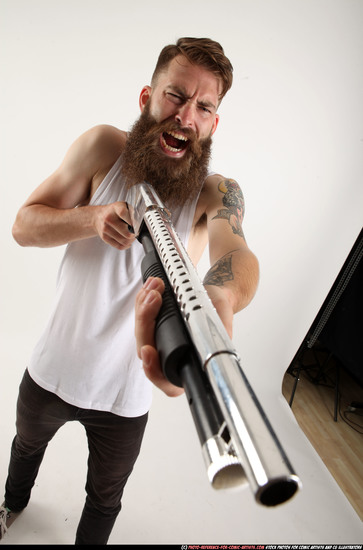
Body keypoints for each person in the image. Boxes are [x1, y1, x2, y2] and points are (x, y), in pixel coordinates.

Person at [0, 37, 259, 544]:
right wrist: (92, 217)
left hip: (127, 396)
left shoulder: (217, 192)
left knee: (105, 497)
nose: (185, 116)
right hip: (52, 368)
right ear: (147, 97)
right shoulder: (103, 147)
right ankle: (11, 506)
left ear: (213, 123)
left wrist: (219, 298)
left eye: (203, 106)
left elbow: (237, 255)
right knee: (25, 449)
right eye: (176, 96)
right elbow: (24, 226)